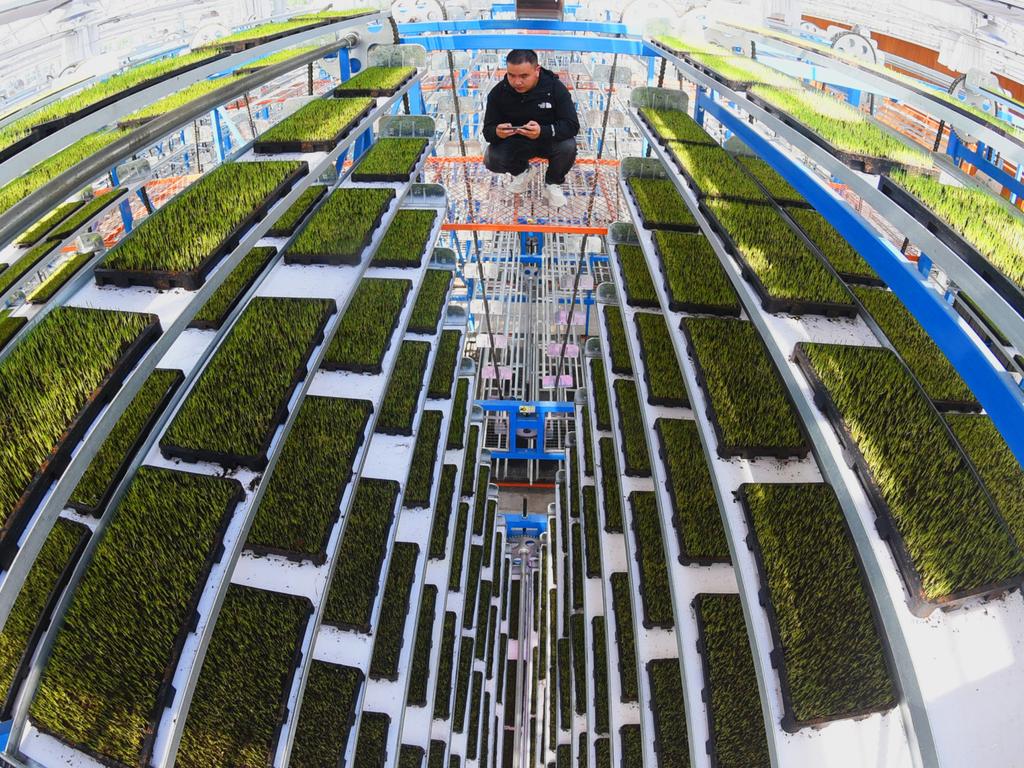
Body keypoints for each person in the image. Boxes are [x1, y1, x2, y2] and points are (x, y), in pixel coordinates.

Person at [482, 49, 580, 208]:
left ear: (537, 71)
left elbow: (572, 125)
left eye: (523, 76)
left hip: (548, 140)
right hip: (516, 143)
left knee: (568, 146)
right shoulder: (498, 93)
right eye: (511, 75)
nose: (517, 82)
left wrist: (543, 131)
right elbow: (488, 132)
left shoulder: (555, 88)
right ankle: (523, 171)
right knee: (491, 158)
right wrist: (497, 132)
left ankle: (552, 183)